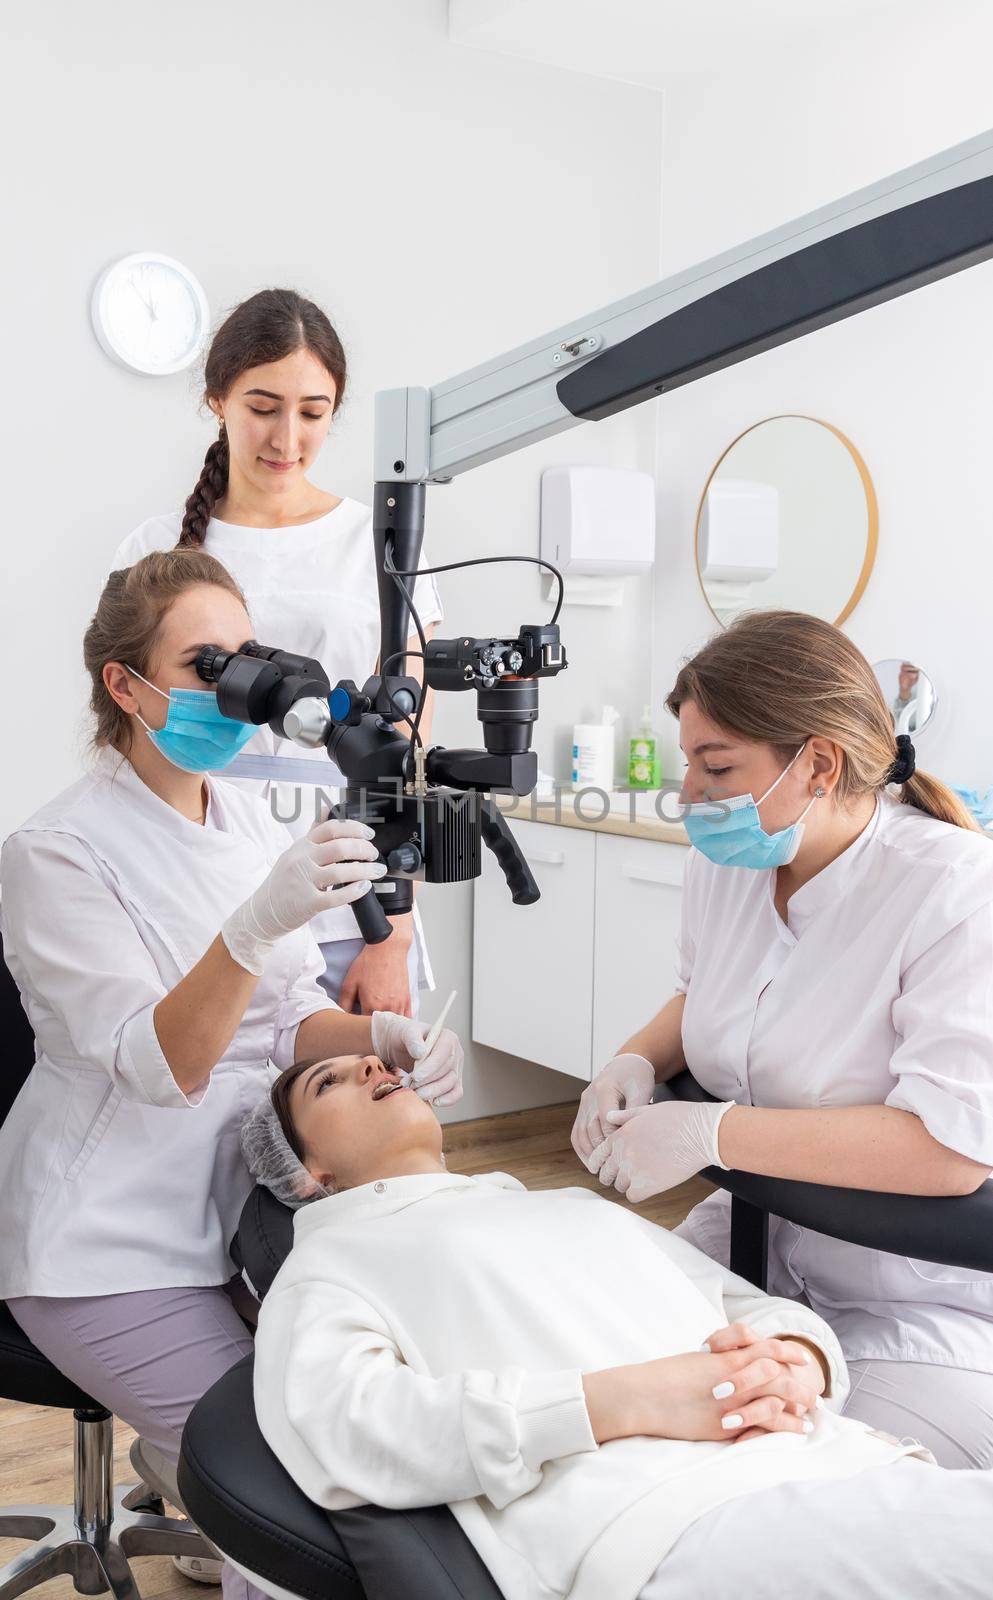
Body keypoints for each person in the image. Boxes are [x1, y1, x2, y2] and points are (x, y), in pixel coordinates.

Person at [0, 550, 463, 1600]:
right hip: (106, 1245)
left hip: (245, 1214)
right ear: (127, 686)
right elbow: (163, 1066)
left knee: (368, 1417)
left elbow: (287, 1018)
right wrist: (254, 925)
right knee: (294, 1472)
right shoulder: (57, 853)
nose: (235, 685)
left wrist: (375, 1038)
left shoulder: (243, 814)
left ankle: (195, 1473)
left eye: (243, 656)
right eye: (205, 663)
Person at [246, 1050, 993, 1600]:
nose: (373, 1065)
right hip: (671, 1524)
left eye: (365, 1060)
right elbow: (355, 1431)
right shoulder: (327, 1267)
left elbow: (751, 1310)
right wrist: (624, 1401)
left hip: (837, 1459)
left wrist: (798, 1360)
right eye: (329, 1082)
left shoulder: (564, 1208)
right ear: (308, 1175)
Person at [572, 609, 993, 1469]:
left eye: (714, 765)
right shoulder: (727, 864)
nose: (687, 792)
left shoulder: (953, 895)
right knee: (592, 1389)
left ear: (818, 763)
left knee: (787, 1473)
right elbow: (700, 992)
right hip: (755, 1240)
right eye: (690, 760)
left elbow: (948, 1150)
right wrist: (634, 1060)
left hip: (911, 1296)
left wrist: (709, 1133)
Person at [112, 287, 444, 1017]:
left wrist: (389, 935)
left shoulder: (381, 545)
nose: (286, 438)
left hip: (347, 899)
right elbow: (124, 733)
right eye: (262, 407)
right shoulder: (155, 549)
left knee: (349, 1116)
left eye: (313, 413)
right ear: (216, 400)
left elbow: (408, 747)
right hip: (189, 884)